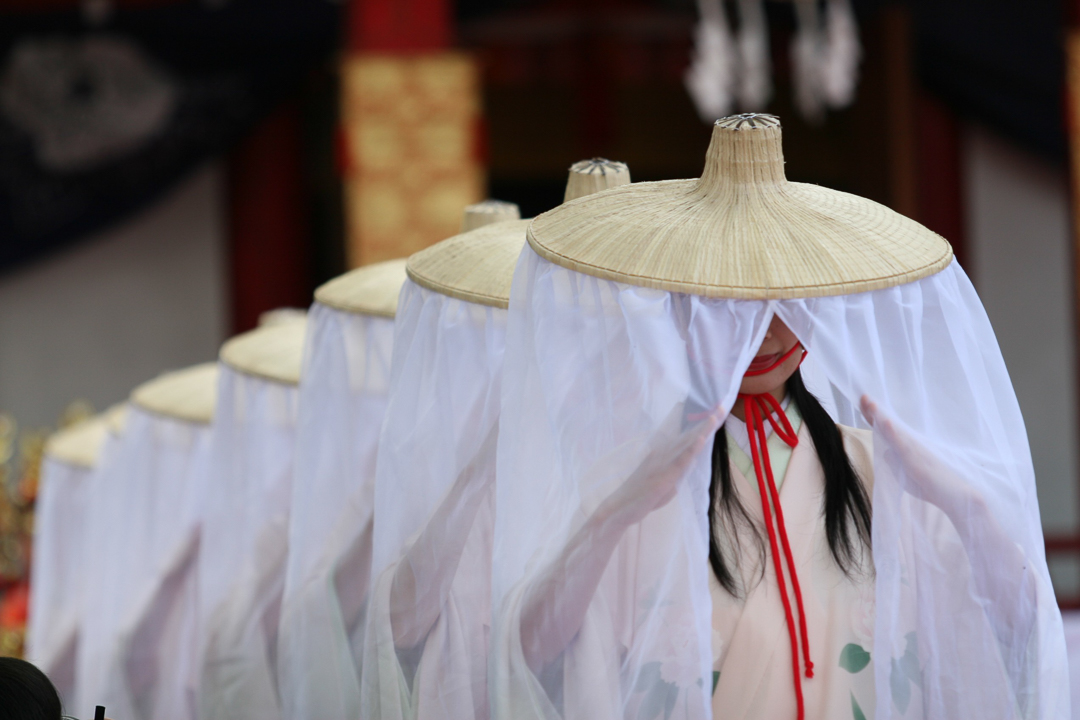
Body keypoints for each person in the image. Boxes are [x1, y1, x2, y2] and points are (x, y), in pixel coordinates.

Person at [490, 113, 1068, 719]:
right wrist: (612, 513)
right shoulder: (635, 476)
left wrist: (962, 502)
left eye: (783, 297)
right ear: (686, 304)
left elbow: (1022, 624)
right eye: (731, 298)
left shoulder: (879, 467)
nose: (761, 326)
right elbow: (535, 655)